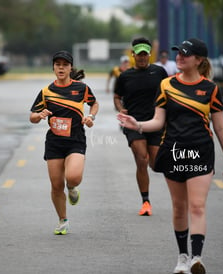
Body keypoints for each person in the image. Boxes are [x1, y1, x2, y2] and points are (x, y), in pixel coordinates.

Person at [118, 38, 223, 274]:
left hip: (200, 153)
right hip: (173, 152)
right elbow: (158, 121)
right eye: (178, 53)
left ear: (199, 60)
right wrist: (137, 125)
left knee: (196, 205)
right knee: (179, 207)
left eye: (185, 54)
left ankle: (196, 258)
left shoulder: (211, 89)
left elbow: (221, 127)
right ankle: (182, 257)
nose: (179, 57)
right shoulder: (166, 85)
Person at [29, 50, 99, 235]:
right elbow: (32, 117)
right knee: (56, 185)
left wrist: (90, 116)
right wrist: (39, 115)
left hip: (75, 139)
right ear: (53, 67)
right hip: (54, 142)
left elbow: (94, 103)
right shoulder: (46, 92)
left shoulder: (81, 89)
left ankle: (72, 187)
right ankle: (63, 220)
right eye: (58, 64)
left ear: (70, 68)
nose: (61, 68)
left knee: (73, 177)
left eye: (65, 65)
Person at [114, 37, 168, 216]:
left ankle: (147, 198)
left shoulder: (159, 72)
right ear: (133, 55)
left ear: (150, 55)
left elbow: (169, 93)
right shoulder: (125, 76)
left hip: (155, 123)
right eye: (139, 55)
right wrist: (122, 109)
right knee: (142, 158)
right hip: (132, 123)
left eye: (145, 54)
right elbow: (116, 96)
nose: (142, 58)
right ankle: (146, 201)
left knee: (155, 163)